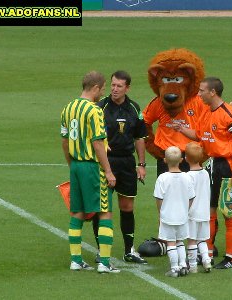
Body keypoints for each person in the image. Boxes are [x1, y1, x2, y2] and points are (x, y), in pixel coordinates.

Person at [173, 77, 232, 269]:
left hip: (227, 166)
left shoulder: (228, 114)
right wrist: (182, 129)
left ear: (212, 92)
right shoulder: (206, 112)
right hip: (212, 165)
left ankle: (231, 258)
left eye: (201, 91)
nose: (199, 94)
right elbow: (199, 135)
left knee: (229, 213)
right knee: (210, 211)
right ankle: (207, 253)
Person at [60, 71, 120, 274]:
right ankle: (104, 263)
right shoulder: (94, 111)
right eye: (103, 89)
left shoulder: (68, 108)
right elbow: (97, 142)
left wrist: (72, 165)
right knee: (105, 212)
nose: (104, 92)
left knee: (77, 211)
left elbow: (65, 141)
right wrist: (109, 171)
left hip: (76, 165)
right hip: (93, 167)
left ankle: (75, 260)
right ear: (95, 87)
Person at [92, 70, 148, 264]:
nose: (115, 89)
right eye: (113, 85)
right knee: (102, 208)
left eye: (119, 86)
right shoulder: (100, 107)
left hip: (126, 162)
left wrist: (141, 164)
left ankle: (128, 250)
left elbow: (140, 137)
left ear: (127, 88)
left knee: (127, 206)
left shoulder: (134, 108)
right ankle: (101, 250)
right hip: (105, 161)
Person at [154, 146, 195, 278]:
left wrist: (161, 212)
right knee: (180, 241)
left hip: (168, 216)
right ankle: (183, 265)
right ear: (181, 160)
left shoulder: (162, 178)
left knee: (171, 242)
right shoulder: (187, 177)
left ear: (165, 160)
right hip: (182, 215)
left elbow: (159, 198)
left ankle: (174, 268)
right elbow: (191, 197)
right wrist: (185, 209)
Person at [185, 142, 212, 273]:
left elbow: (187, 196)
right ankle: (206, 260)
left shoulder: (188, 176)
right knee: (202, 239)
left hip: (192, 213)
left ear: (185, 158)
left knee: (191, 240)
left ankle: (193, 265)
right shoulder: (206, 173)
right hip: (204, 212)